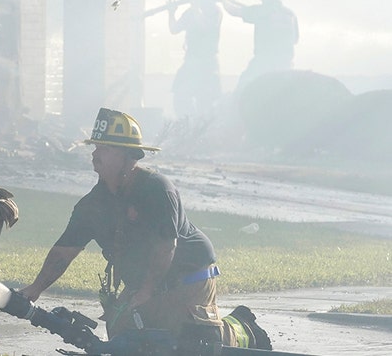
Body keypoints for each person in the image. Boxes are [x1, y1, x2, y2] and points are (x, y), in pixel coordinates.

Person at [19, 108, 272, 351]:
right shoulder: (92, 206)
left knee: (189, 344)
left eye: (104, 149)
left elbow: (166, 246)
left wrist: (147, 291)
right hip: (143, 285)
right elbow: (63, 252)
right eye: (95, 148)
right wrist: (34, 289)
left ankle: (242, 328)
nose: (95, 155)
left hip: (188, 277)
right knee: (124, 338)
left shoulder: (156, 189)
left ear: (128, 156)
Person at [223, 0, 299, 90]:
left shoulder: (261, 11)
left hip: (264, 62)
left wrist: (225, 2)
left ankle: (236, 105)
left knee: (244, 84)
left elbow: (233, 11)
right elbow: (295, 39)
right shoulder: (290, 14)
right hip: (286, 64)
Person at [167, 0, 223, 118]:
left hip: (207, 63)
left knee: (205, 101)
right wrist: (171, 13)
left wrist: (196, 8)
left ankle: (202, 131)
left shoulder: (214, 10)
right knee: (180, 95)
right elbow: (174, 29)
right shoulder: (189, 12)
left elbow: (205, 27)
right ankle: (188, 126)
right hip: (191, 61)